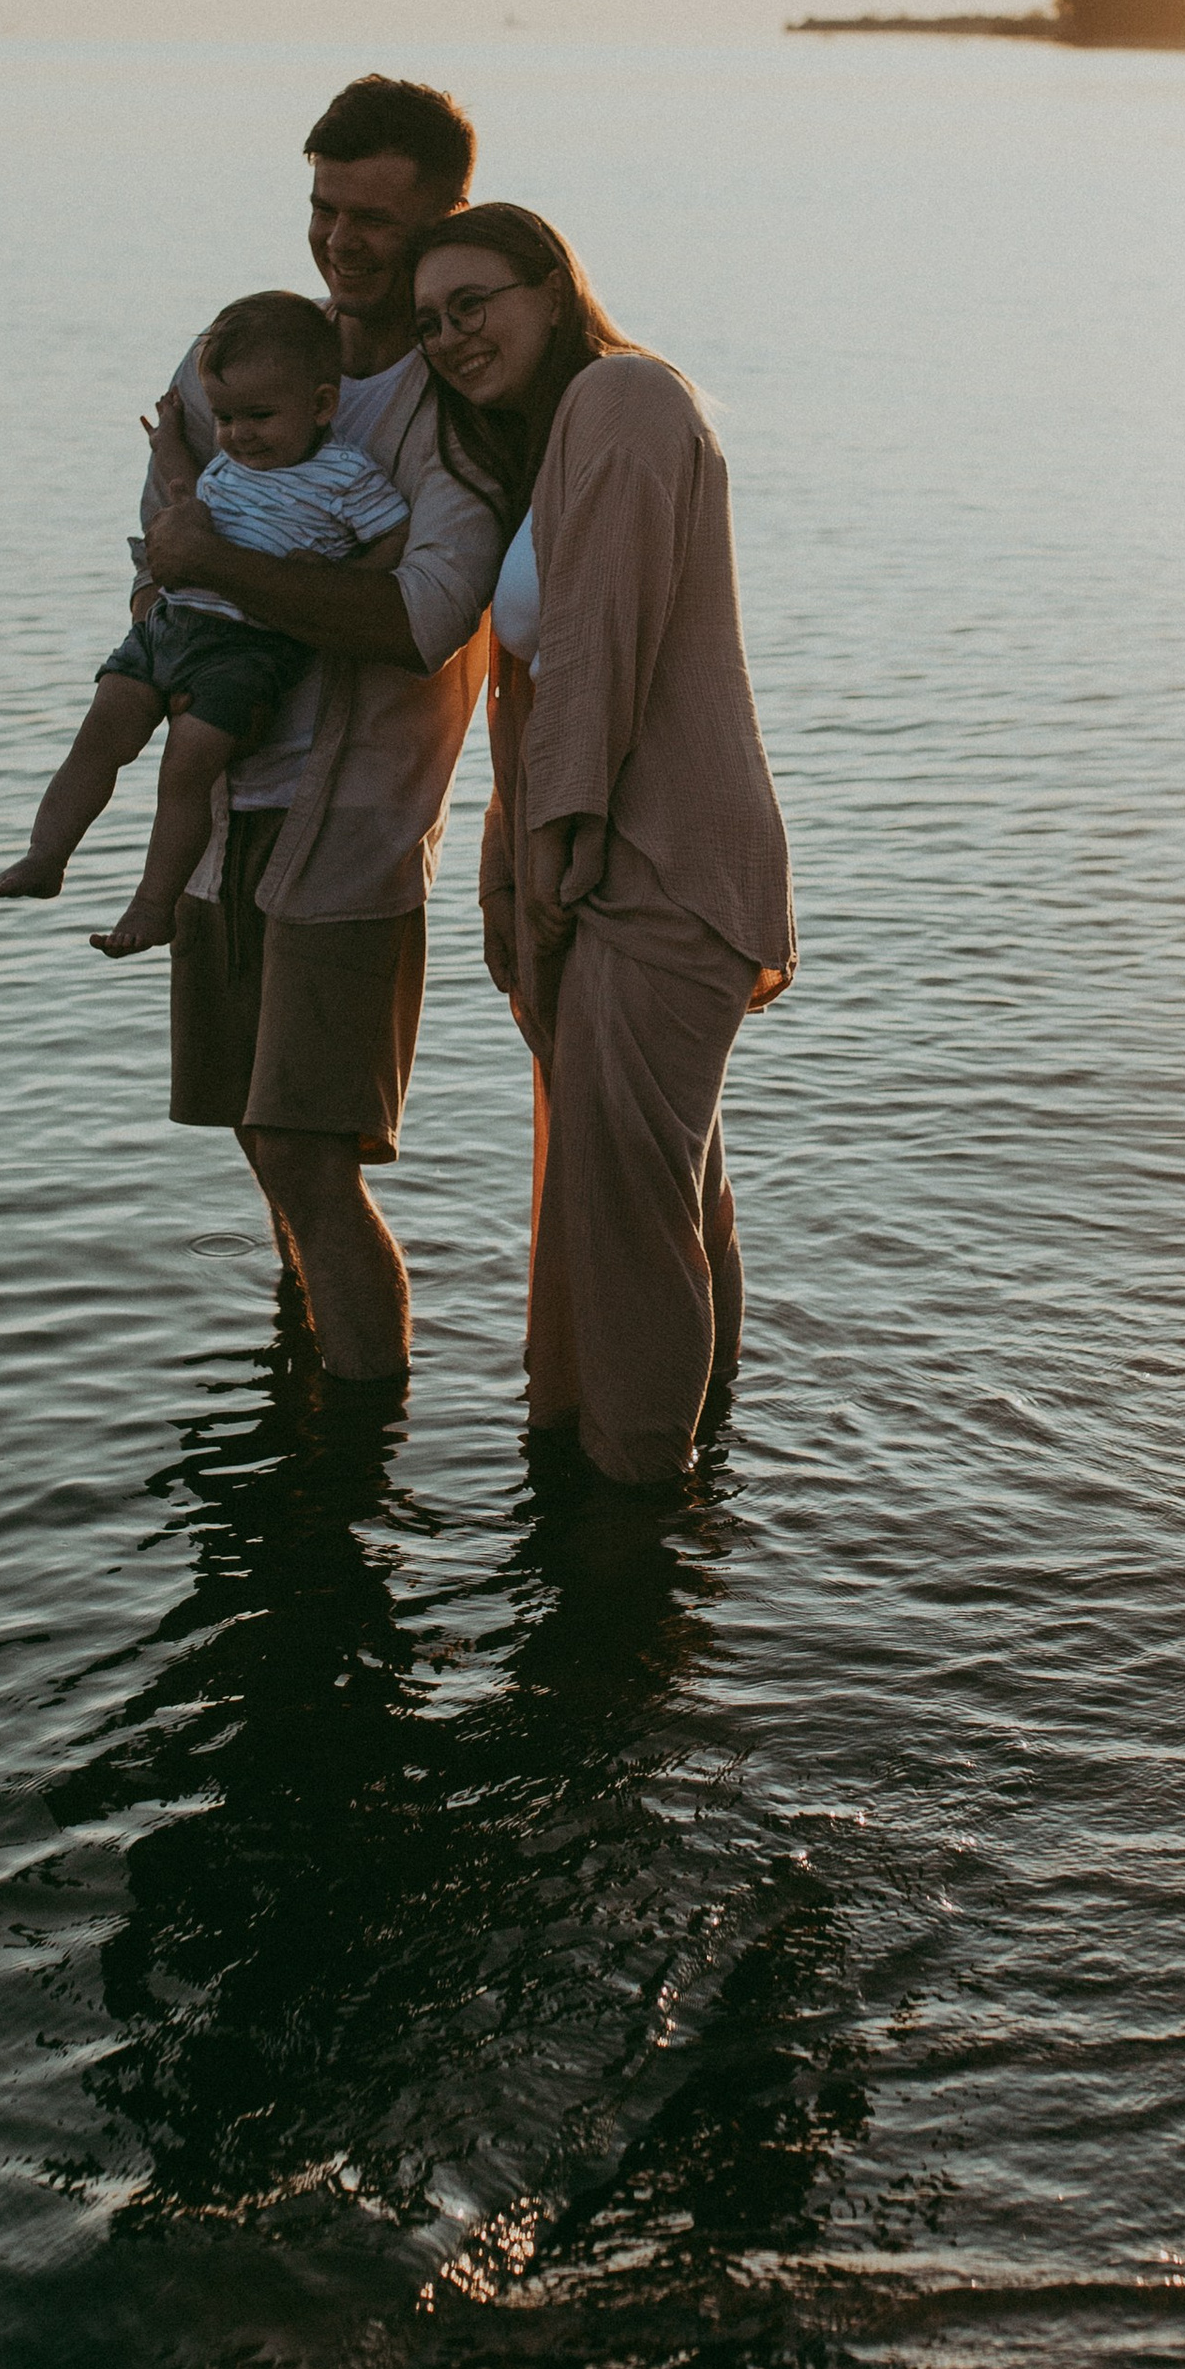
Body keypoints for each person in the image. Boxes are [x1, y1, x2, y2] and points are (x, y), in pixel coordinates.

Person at [409, 204, 794, 1485]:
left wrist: (559, 866)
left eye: (476, 303)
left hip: (660, 865)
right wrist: (511, 878)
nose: (453, 336)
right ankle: (702, 1475)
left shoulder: (625, 399)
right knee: (670, 1194)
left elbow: (598, 655)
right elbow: (545, 680)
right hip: (623, 861)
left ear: (551, 285)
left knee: (627, 1215)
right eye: (431, 323)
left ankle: (633, 1506)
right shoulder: (556, 440)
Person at [126, 75, 502, 1386]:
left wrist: (211, 559)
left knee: (308, 1152)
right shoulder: (238, 355)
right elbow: (157, 561)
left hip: (355, 837)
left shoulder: (452, 408)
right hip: (226, 812)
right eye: (322, 207)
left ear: (445, 220)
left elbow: (423, 619)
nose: (340, 241)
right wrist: (186, 568)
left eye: (374, 219)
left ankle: (354, 1461)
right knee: (258, 1141)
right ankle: (306, 1405)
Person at [0, 290, 412, 956]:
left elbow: (396, 535)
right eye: (225, 417)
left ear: (322, 406)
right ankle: (46, 857)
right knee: (101, 733)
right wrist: (168, 445)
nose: (241, 434)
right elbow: (187, 489)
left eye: (260, 416)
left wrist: (347, 573)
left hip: (247, 651)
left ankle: (154, 905)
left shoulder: (344, 476)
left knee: (184, 773)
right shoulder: (233, 461)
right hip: (172, 623)